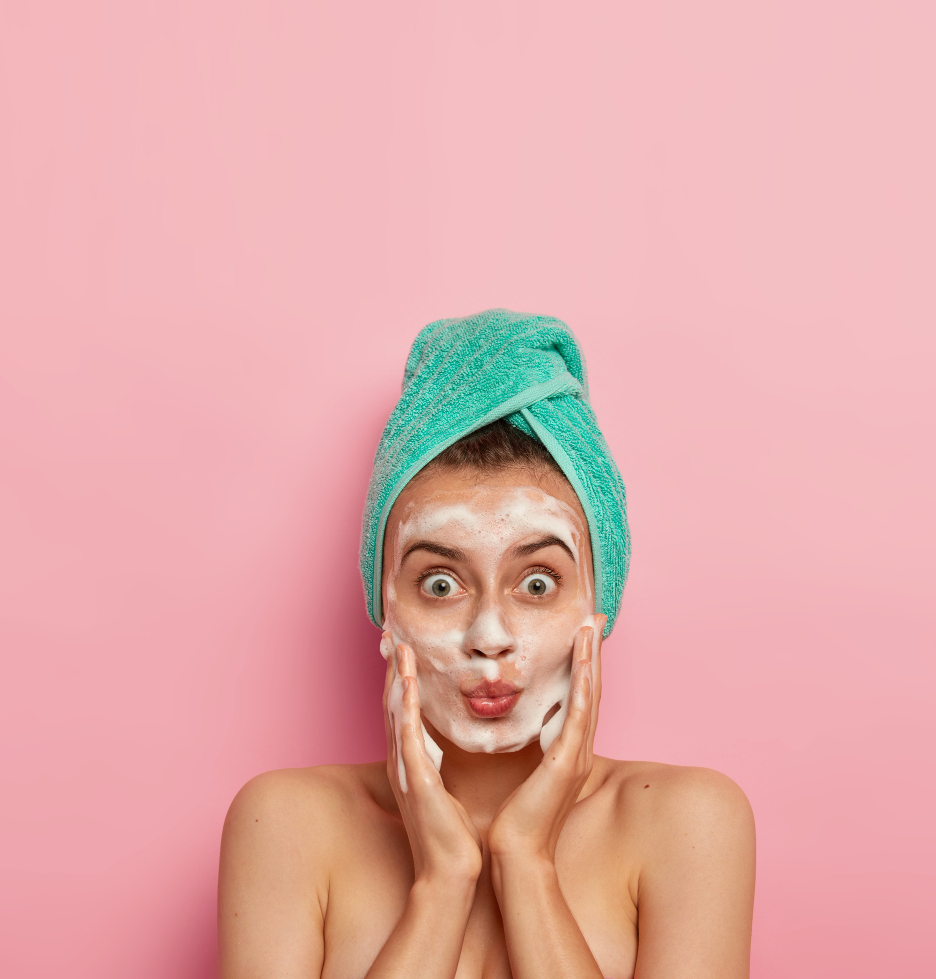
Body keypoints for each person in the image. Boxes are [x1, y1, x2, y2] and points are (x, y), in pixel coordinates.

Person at [217, 311, 756, 978]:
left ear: (599, 604)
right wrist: (441, 881)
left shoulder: (690, 823)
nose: (489, 637)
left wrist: (525, 860)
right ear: (384, 607)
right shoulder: (286, 826)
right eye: (440, 584)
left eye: (537, 583)